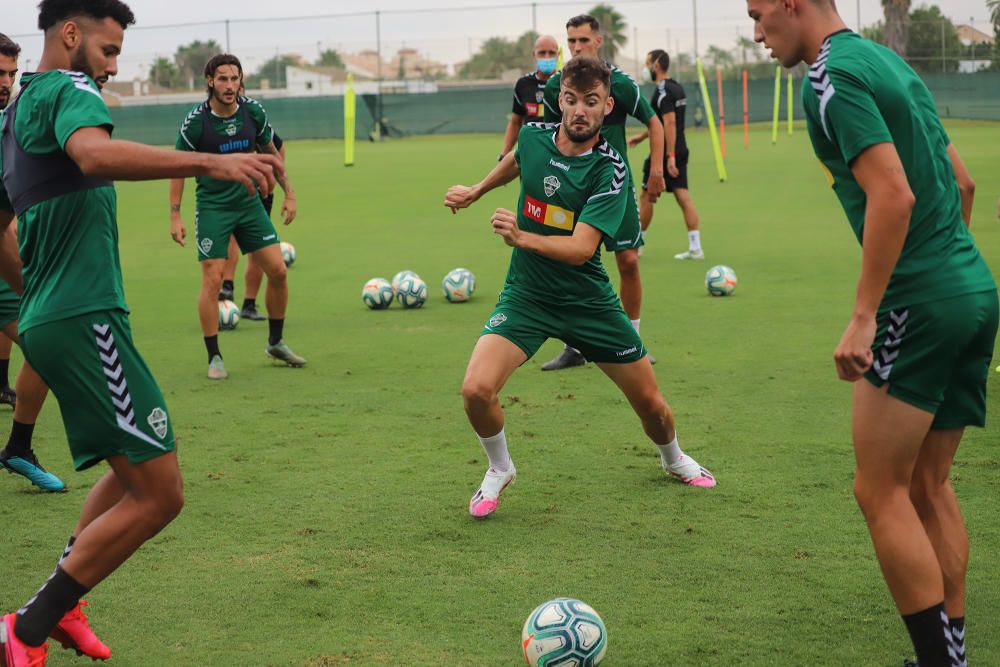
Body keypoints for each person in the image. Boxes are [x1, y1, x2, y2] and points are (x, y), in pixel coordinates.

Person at [0, 1, 284, 663]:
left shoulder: (14, 112)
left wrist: (36, 296)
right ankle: (27, 627)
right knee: (161, 492)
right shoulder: (67, 89)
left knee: (134, 469)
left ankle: (61, 605)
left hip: (60, 315)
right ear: (70, 34)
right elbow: (94, 155)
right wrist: (208, 164)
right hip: (82, 314)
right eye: (106, 48)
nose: (113, 64)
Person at [747, 1, 997, 665]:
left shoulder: (828, 77)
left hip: (919, 301)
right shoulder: (886, 60)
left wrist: (865, 315)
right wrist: (945, 279)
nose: (754, 31)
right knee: (928, 485)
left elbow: (894, 194)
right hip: (971, 286)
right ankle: (952, 654)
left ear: (792, 4)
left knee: (878, 488)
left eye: (756, 13)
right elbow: (963, 184)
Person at [444, 57, 716, 520]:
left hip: (589, 303)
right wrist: (476, 190)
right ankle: (499, 468)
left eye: (592, 103)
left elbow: (580, 249)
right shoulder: (533, 136)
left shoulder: (609, 172)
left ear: (607, 105)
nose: (580, 112)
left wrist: (520, 237)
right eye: (572, 100)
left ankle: (672, 458)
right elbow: (515, 161)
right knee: (475, 390)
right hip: (527, 296)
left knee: (652, 406)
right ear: (561, 99)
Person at [540, 14, 665, 371]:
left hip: (615, 185)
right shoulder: (556, 87)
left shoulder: (619, 83)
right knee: (570, 261)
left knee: (628, 261)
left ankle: (633, 341)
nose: (577, 47)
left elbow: (654, 122)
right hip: (572, 186)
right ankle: (573, 348)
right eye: (572, 42)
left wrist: (656, 170)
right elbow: (550, 137)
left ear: (598, 41)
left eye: (583, 40)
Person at [170, 54, 305, 380]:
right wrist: (175, 214)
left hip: (250, 205)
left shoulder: (252, 112)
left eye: (234, 79)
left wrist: (288, 191)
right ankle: (214, 356)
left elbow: (271, 153)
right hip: (214, 208)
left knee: (278, 271)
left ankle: (276, 342)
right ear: (210, 81)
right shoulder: (197, 122)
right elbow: (177, 167)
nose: (229, 86)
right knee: (213, 280)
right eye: (223, 79)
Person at [0, 32, 63, 493]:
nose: (5, 82)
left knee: (47, 345)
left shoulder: (10, 122)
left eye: (10, 73)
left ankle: (19, 447)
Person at [218, 83, 286, 322]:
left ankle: (248, 303)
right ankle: (226, 285)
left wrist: (272, 181)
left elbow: (278, 147)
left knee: (257, 252)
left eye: (237, 87)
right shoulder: (214, 121)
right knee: (229, 239)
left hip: (258, 193)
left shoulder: (254, 118)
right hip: (227, 194)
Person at [628, 49, 704, 260]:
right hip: (680, 147)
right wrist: (642, 137)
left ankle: (637, 244)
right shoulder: (676, 87)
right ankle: (696, 247)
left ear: (657, 65)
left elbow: (669, 122)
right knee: (682, 196)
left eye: (647, 63)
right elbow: (661, 123)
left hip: (665, 152)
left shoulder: (663, 91)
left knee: (647, 197)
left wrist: (669, 156)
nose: (646, 68)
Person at [498, 34, 559, 161]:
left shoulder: (566, 82)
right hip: (530, 152)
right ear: (534, 55)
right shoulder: (523, 84)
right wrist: (504, 154)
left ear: (557, 55)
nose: (547, 57)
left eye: (551, 53)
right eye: (542, 53)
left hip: (559, 154)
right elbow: (515, 122)